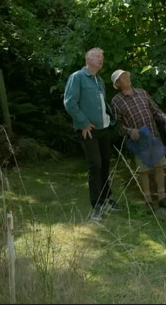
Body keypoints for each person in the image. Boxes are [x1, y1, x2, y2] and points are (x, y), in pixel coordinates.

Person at [63, 47, 117, 222]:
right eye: (96, 56)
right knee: (96, 165)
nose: (100, 59)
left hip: (103, 128)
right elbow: (70, 102)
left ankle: (107, 198)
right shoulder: (77, 77)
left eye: (102, 56)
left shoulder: (99, 80)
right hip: (88, 130)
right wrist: (84, 122)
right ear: (87, 59)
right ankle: (97, 206)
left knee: (106, 163)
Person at [110, 69, 166, 210]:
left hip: (153, 135)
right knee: (143, 171)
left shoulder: (142, 93)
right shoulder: (116, 101)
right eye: (122, 78)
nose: (126, 78)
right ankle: (148, 201)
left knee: (159, 167)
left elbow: (155, 110)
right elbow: (117, 125)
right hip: (139, 140)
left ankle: (162, 199)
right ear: (117, 84)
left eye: (127, 75)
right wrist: (129, 131)